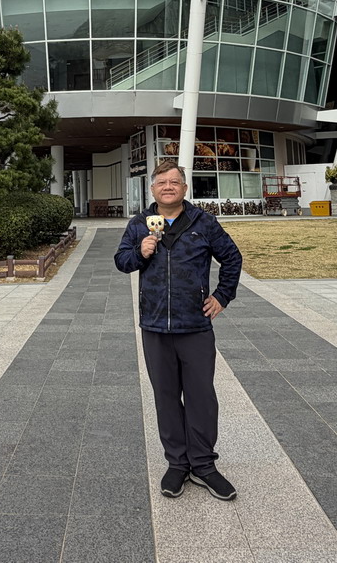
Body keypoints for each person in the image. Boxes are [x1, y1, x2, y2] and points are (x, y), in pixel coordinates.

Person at [114, 160, 242, 501]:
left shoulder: (204, 222)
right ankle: (177, 463)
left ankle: (203, 464)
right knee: (166, 396)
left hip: (195, 325)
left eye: (175, 182)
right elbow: (121, 261)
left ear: (185, 188)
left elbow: (232, 258)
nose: (168, 186)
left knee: (201, 396)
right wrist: (140, 252)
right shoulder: (140, 224)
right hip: (155, 325)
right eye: (161, 182)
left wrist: (221, 297)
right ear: (152, 189)